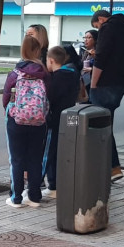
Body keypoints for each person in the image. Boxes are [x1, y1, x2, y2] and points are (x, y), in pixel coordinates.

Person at [2, 36, 49, 208]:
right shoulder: (44, 73)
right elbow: (48, 96)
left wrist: (11, 112)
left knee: (17, 159)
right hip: (39, 121)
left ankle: (16, 198)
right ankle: (35, 197)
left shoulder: (15, 73)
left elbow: (6, 96)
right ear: (38, 51)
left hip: (17, 120)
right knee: (35, 159)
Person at [89, 9, 124, 182]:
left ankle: (111, 167)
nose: (98, 28)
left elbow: (101, 58)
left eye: (97, 25)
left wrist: (93, 85)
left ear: (101, 19)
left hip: (106, 83)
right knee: (106, 123)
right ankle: (111, 167)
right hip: (122, 83)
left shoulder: (108, 29)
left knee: (99, 126)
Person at [43, 46, 80, 198]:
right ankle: (57, 185)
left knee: (48, 154)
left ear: (51, 60)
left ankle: (49, 186)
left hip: (54, 120)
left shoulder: (55, 78)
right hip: (67, 119)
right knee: (60, 154)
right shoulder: (73, 74)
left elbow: (49, 99)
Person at [80, 29, 98, 97]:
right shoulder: (85, 52)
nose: (86, 40)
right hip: (84, 82)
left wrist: (92, 69)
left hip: (94, 83)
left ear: (95, 39)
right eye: (85, 37)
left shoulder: (98, 52)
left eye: (89, 37)